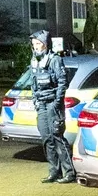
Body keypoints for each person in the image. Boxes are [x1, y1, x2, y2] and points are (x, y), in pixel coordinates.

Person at [28, 30, 75, 184]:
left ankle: (69, 172)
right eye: (34, 44)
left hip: (53, 104)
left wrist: (56, 102)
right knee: (46, 138)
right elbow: (33, 83)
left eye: (38, 44)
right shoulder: (34, 60)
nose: (35, 47)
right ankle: (54, 172)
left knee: (57, 137)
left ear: (45, 44)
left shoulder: (54, 60)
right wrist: (35, 100)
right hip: (41, 104)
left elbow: (62, 82)